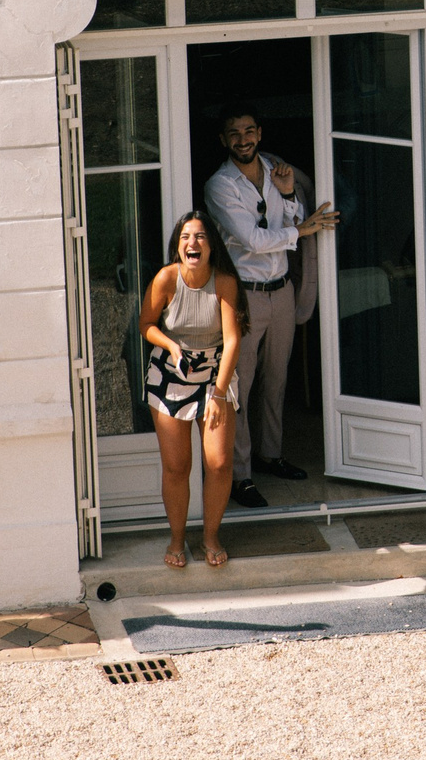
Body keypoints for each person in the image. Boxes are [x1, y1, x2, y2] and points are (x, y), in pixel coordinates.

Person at [202, 107, 338, 508]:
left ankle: (270, 454)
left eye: (249, 131)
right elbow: (253, 240)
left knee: (277, 379)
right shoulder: (220, 184)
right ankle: (240, 475)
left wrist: (290, 193)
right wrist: (302, 230)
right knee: (240, 385)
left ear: (259, 133)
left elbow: (291, 216)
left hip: (281, 290)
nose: (243, 139)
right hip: (244, 295)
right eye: (234, 133)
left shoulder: (275, 170)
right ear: (223, 140)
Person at [141, 210, 245, 567]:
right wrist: (171, 346)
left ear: (211, 246)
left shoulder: (225, 282)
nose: (192, 243)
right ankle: (177, 540)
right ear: (178, 246)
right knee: (176, 466)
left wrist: (219, 393)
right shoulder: (166, 278)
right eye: (185, 237)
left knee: (219, 463)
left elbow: (233, 340)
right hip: (170, 374)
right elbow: (146, 324)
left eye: (200, 236)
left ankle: (210, 537)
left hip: (215, 375)